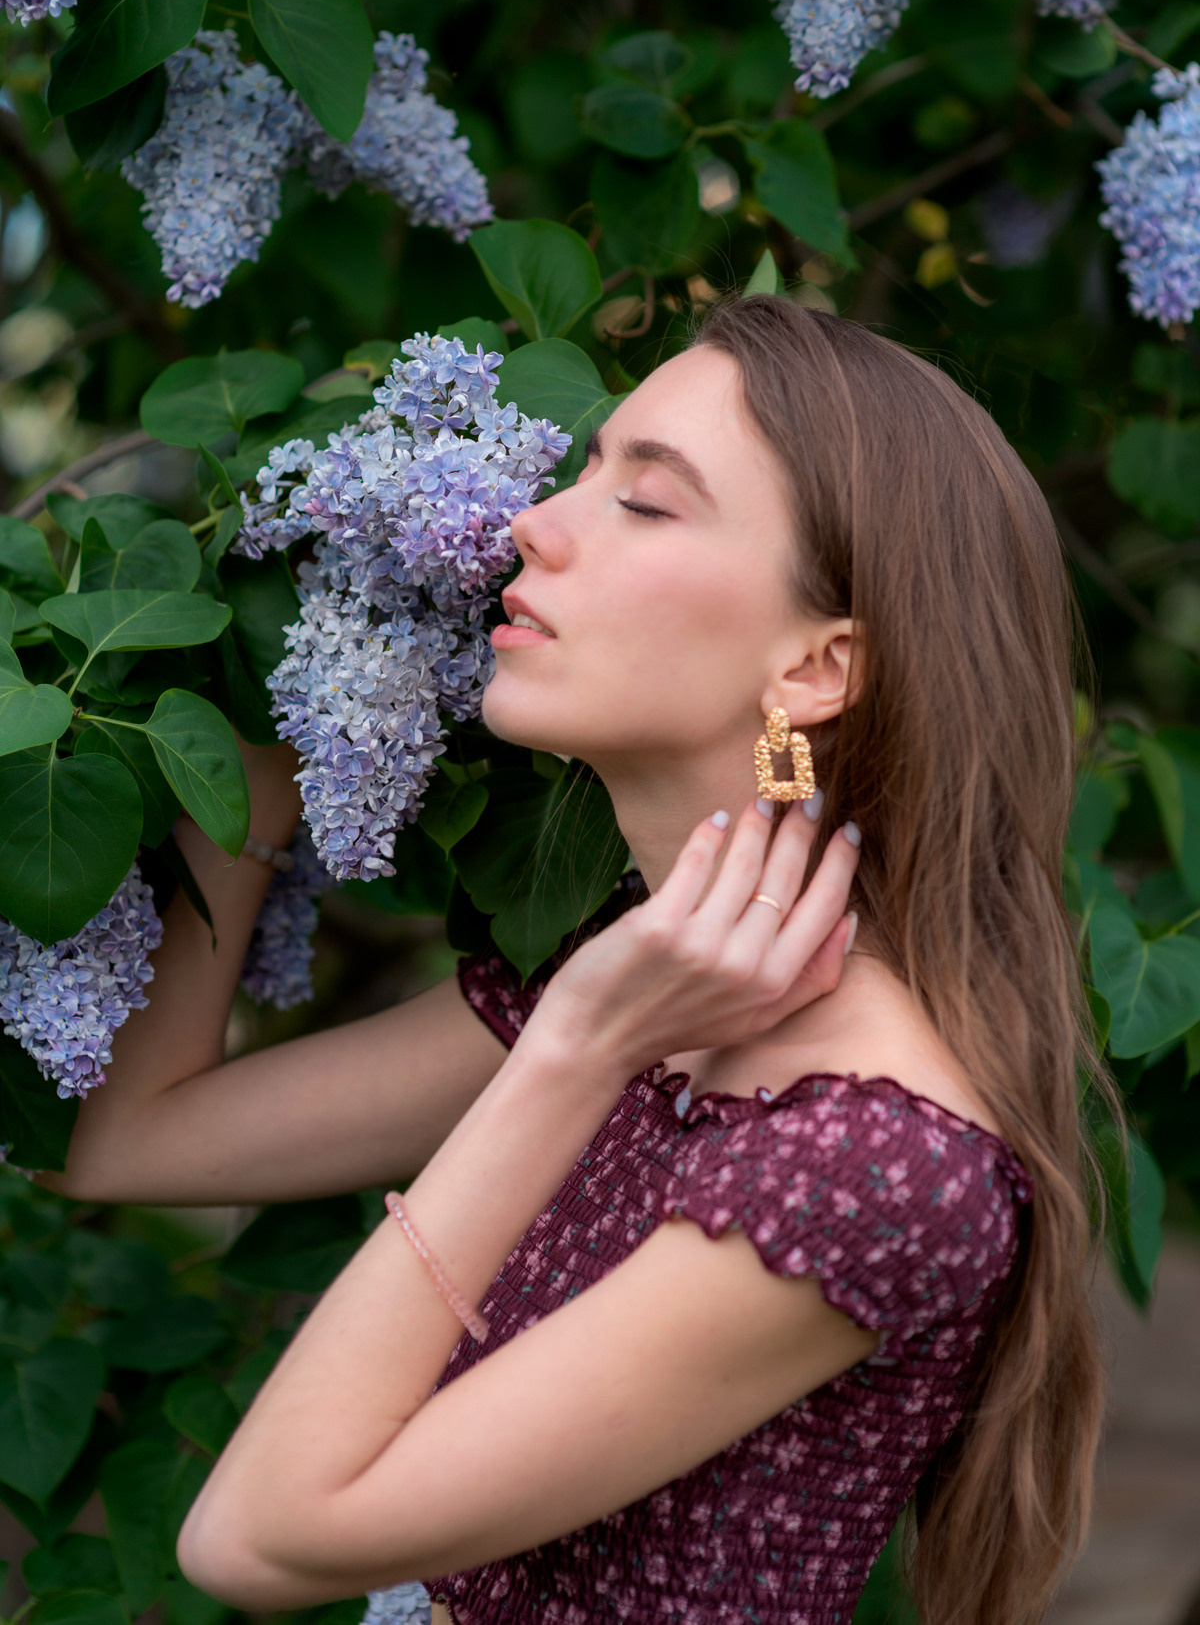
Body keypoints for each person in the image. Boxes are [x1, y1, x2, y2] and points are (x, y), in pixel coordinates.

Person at [39, 294, 1108, 1625]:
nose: (528, 524)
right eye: (582, 471)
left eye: (647, 504)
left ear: (820, 664)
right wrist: (251, 795)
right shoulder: (658, 982)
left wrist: (576, 1050)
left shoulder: (864, 1158)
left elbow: (257, 1537)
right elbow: (125, 1146)